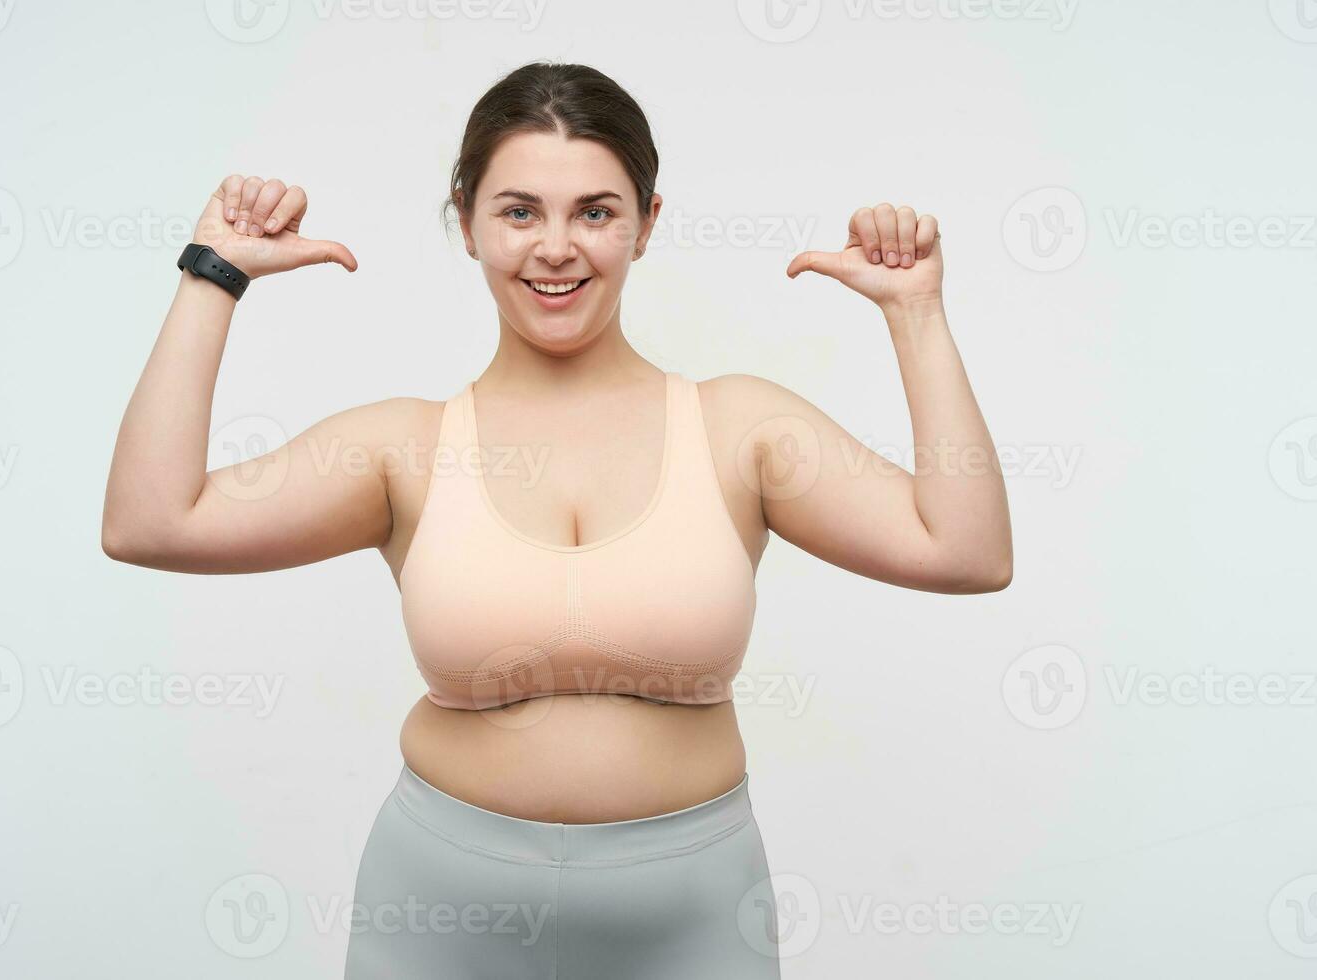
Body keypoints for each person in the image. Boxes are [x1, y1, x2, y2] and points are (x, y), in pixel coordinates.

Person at [101, 61, 1012, 980]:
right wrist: (212, 275)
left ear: (647, 226)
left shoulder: (742, 429)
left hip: (691, 915)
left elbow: (966, 552)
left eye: (596, 212)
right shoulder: (401, 449)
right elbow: (150, 523)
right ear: (467, 223)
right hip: (440, 915)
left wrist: (917, 313)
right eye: (520, 210)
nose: (557, 247)